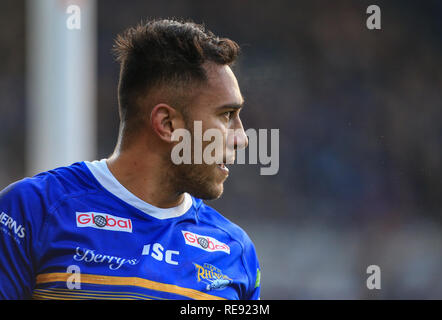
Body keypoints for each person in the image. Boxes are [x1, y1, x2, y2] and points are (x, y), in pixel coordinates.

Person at [0, 18, 261, 300]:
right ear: (168, 124)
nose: (242, 138)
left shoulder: (235, 253)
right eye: (226, 115)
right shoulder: (30, 211)